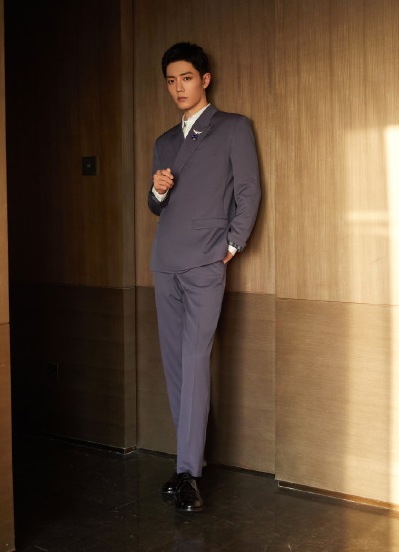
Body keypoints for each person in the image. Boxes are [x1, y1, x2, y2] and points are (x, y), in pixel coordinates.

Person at [148, 42, 260, 512]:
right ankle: (187, 465)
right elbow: (156, 205)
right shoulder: (164, 141)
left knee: (194, 361)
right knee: (176, 366)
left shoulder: (233, 127)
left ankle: (188, 473)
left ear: (205, 79)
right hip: (165, 260)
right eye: (171, 80)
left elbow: (249, 191)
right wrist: (156, 192)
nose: (179, 87)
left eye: (187, 78)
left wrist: (231, 246)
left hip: (205, 262)